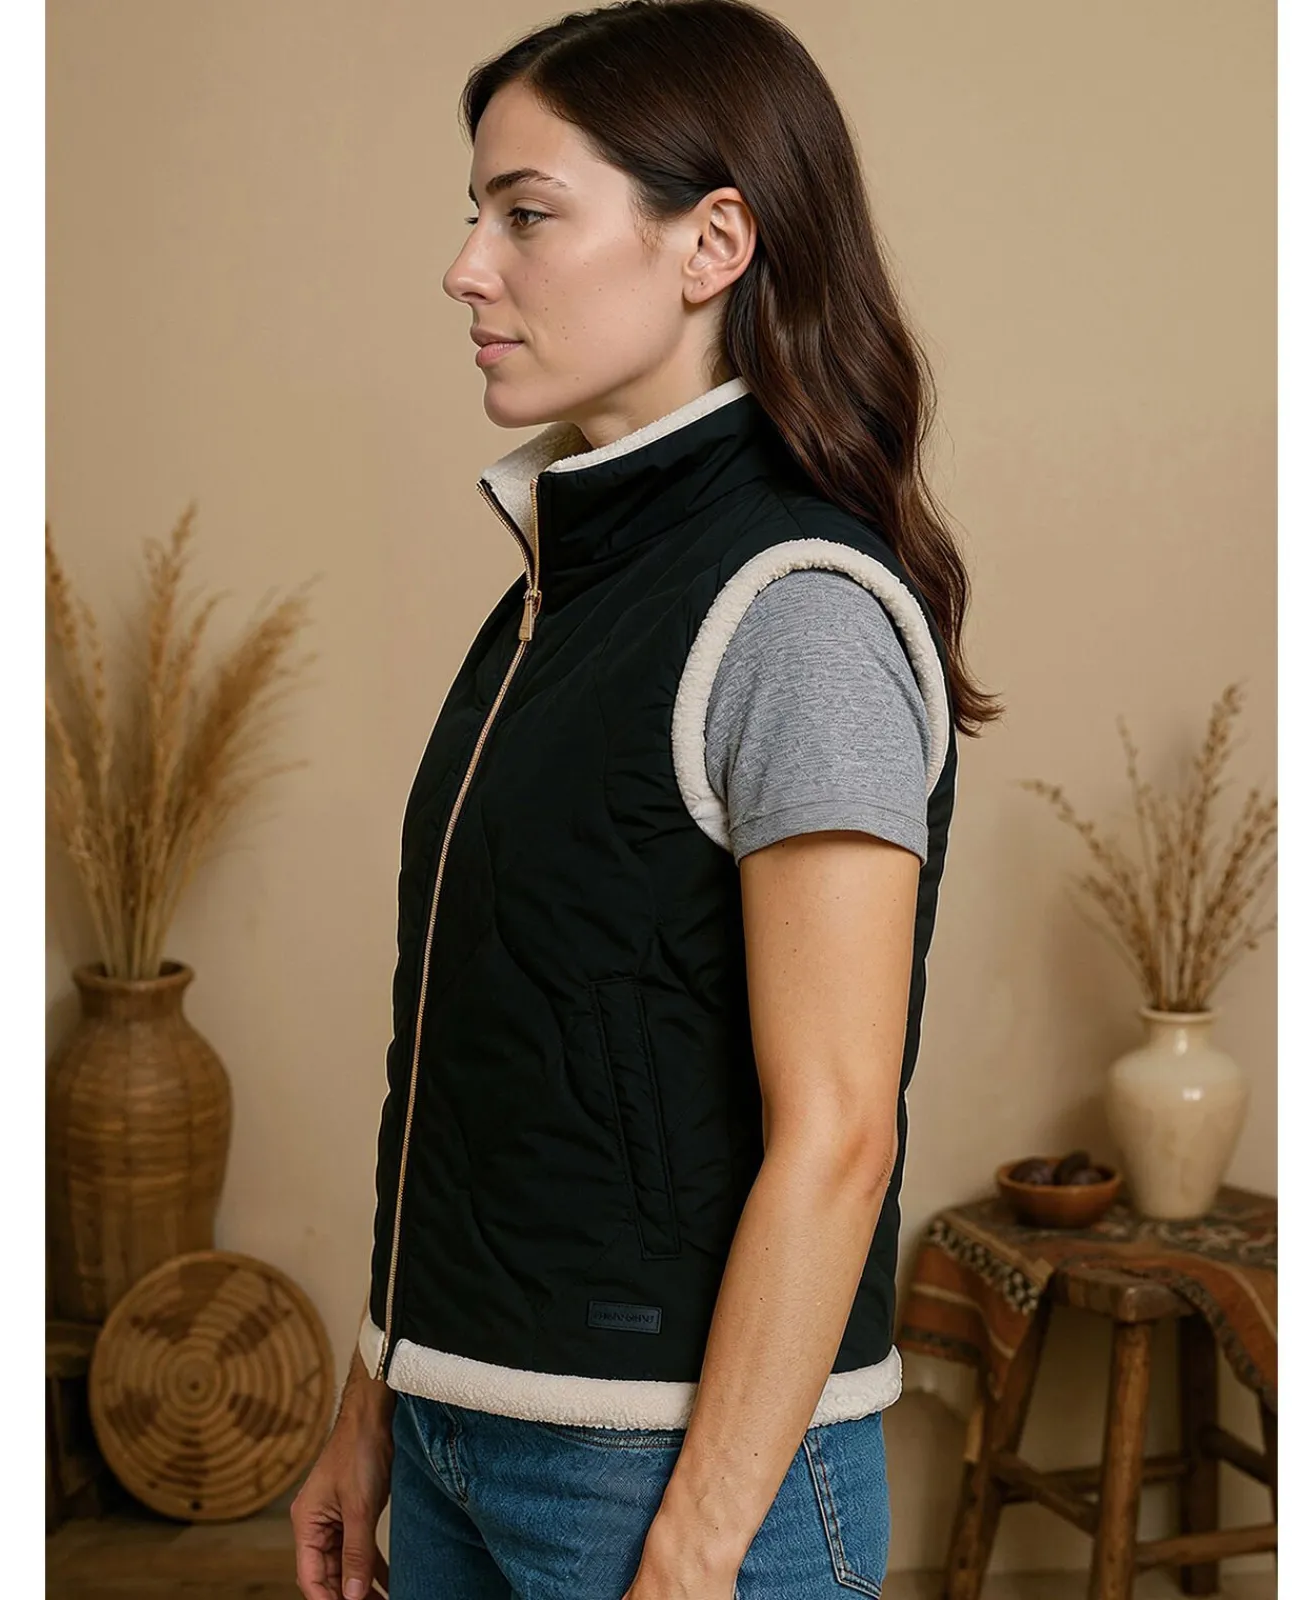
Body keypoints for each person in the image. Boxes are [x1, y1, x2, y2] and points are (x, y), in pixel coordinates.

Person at [291, 3, 1001, 1596]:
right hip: (463, 1436)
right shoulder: (558, 593)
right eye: (474, 215)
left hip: (665, 1483)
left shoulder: (794, 613)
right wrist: (381, 1391)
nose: (466, 268)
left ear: (712, 244)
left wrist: (695, 1548)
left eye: (526, 214)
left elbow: (840, 1133)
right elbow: (475, 1057)